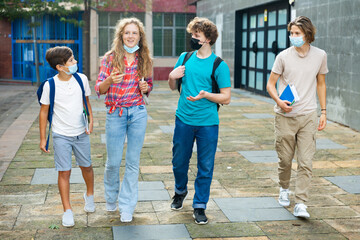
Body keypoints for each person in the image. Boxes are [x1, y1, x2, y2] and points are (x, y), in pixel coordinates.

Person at [168, 17, 231, 224]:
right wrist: (171, 75)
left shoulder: (219, 65)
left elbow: (226, 98)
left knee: (205, 166)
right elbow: (172, 86)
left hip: (208, 123)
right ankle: (180, 191)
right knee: (179, 162)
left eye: (197, 36)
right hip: (183, 120)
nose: (193, 39)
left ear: (208, 39)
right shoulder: (185, 58)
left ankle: (200, 205)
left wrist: (206, 95)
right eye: (192, 35)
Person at [266, 16, 328, 218]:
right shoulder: (283, 57)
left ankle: (301, 202)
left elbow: (321, 84)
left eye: (297, 33)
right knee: (285, 159)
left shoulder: (320, 56)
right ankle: (284, 188)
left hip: (308, 115)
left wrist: (324, 111)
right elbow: (270, 84)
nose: (293, 37)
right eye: (291, 33)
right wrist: (279, 101)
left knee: (306, 162)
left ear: (308, 34)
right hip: (285, 116)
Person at [95, 17, 152, 223]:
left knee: (132, 163)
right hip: (115, 114)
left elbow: (148, 85)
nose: (130, 36)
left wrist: (147, 88)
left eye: (134, 33)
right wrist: (109, 80)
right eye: (127, 32)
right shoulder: (110, 58)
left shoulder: (144, 58)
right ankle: (111, 198)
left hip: (137, 112)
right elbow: (99, 89)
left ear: (140, 36)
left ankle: (127, 206)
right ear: (121, 36)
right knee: (113, 162)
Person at [39, 46, 95, 227]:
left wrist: (91, 120)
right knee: (64, 171)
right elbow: (43, 111)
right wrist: (42, 138)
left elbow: (86, 101)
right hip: (61, 135)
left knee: (86, 167)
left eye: (74, 59)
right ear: (60, 67)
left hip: (81, 133)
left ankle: (90, 195)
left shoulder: (82, 79)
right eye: (71, 61)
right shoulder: (50, 85)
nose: (75, 62)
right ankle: (67, 210)